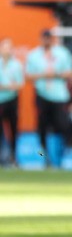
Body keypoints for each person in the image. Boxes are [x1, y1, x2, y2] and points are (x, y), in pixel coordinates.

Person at [25, 29, 72, 160]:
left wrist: (55, 74)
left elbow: (71, 73)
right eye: (44, 38)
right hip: (42, 94)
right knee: (42, 126)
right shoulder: (33, 55)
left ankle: (67, 153)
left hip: (59, 95)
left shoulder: (62, 53)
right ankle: (44, 155)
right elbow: (28, 76)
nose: (47, 41)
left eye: (49, 38)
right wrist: (44, 75)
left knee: (63, 124)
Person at [0, 38, 23, 166]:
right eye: (4, 47)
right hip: (1, 101)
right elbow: (12, 85)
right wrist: (8, 86)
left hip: (12, 101)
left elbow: (19, 85)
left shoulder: (16, 64)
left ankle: (13, 157)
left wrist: (5, 86)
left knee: (13, 129)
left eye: (9, 48)